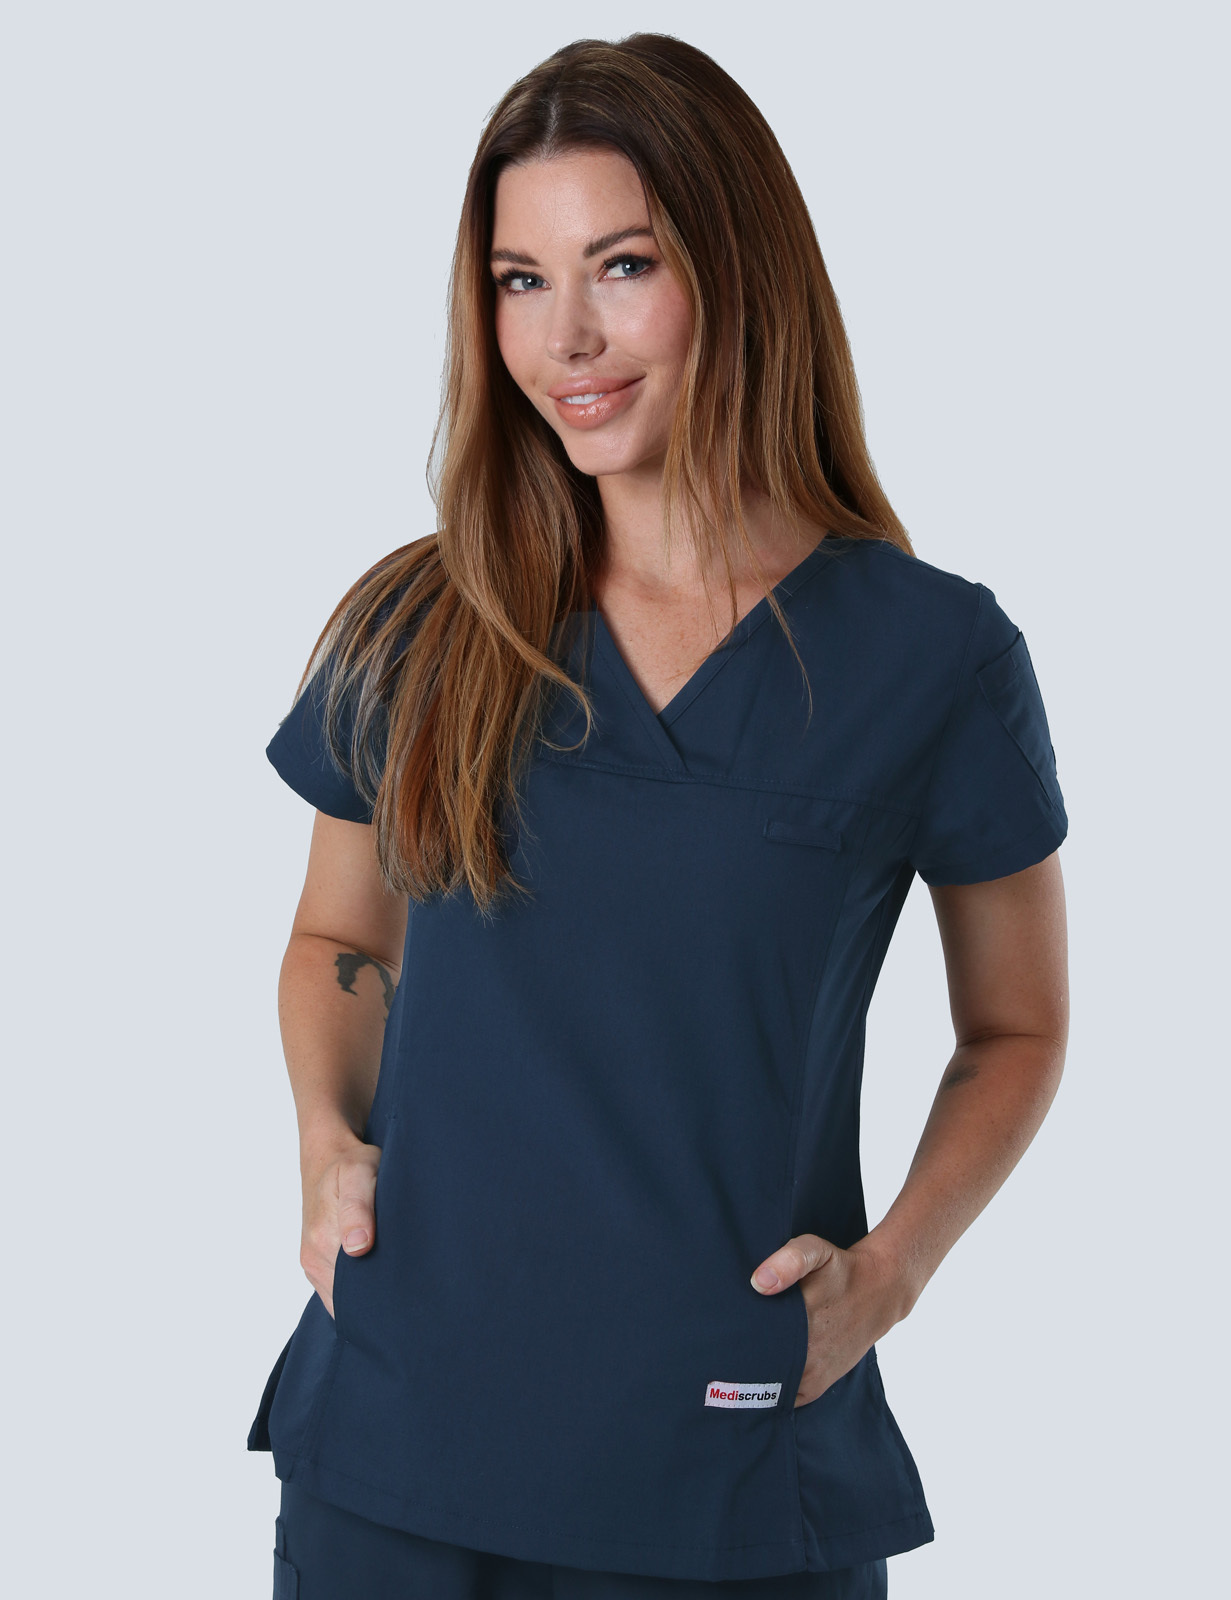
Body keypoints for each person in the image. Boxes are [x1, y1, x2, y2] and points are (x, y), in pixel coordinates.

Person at [247, 30, 1070, 1600]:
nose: (566, 336)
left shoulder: (930, 657)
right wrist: (325, 1141)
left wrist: (890, 1276)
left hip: (723, 1465)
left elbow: (1018, 1028)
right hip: (394, 1454)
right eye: (520, 280)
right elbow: (336, 939)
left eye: (621, 266)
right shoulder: (425, 623)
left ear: (738, 271)